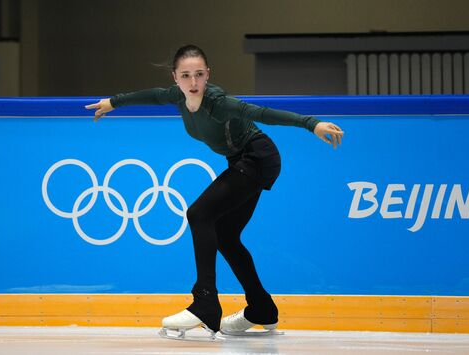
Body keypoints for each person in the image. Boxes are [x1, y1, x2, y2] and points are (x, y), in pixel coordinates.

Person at [85, 44, 343, 338]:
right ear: (175, 77)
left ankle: (205, 303)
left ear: (207, 74)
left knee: (199, 214)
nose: (192, 83)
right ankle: (262, 308)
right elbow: (152, 95)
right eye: (185, 76)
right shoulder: (177, 96)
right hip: (243, 161)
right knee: (225, 236)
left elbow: (262, 113)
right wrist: (113, 102)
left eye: (198, 75)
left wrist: (312, 124)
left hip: (258, 157)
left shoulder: (218, 102)